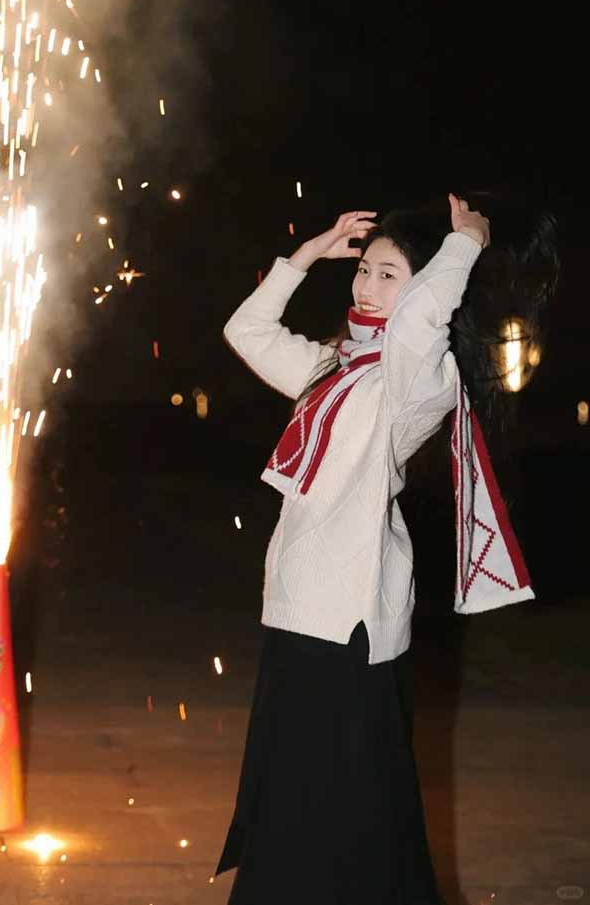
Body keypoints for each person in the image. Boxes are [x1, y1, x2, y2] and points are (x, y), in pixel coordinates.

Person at [214, 191, 559, 905]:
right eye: (363, 270)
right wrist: (305, 256)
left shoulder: (416, 380)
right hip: (297, 611)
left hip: (349, 622)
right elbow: (246, 330)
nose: (366, 285)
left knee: (348, 811)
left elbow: (420, 324)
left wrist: (464, 244)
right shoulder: (333, 366)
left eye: (388, 274)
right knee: (289, 798)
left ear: (425, 286)